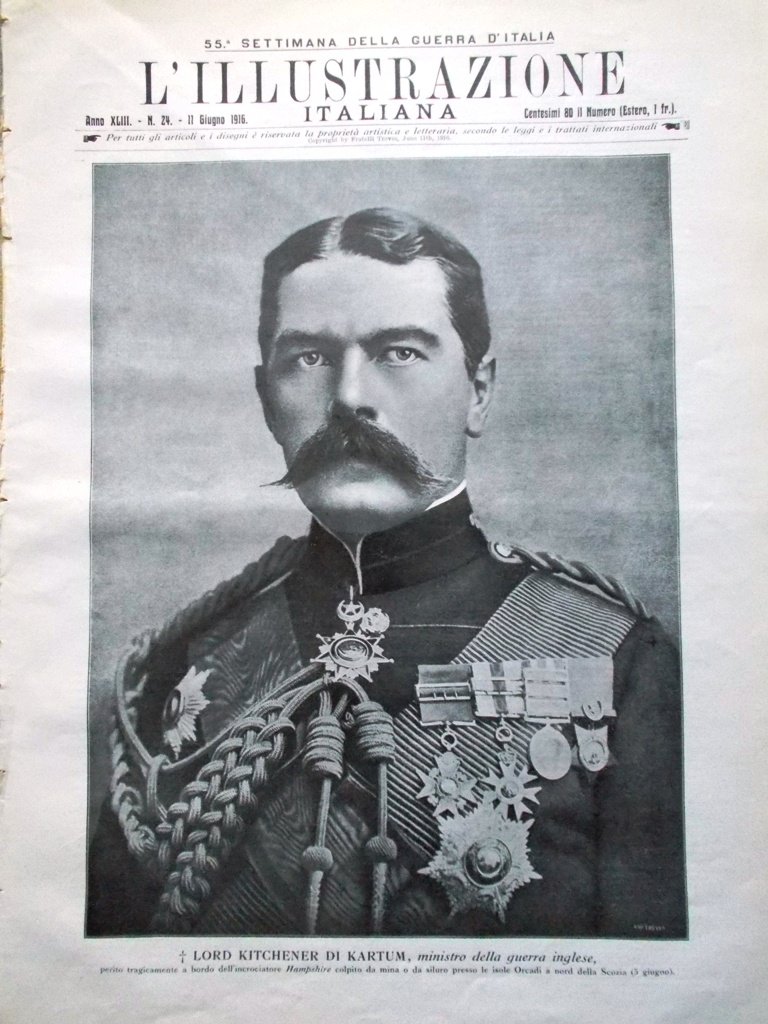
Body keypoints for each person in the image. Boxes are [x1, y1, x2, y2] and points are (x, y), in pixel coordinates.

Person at [87, 207, 686, 938]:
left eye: (399, 352)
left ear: (479, 390)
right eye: (309, 357)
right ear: (265, 397)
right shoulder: (188, 662)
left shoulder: (617, 661)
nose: (349, 397)